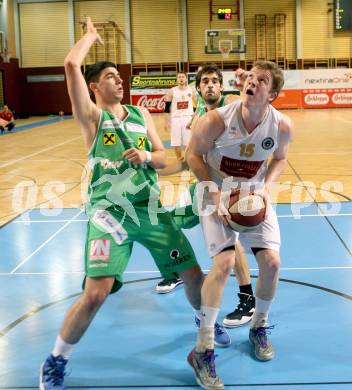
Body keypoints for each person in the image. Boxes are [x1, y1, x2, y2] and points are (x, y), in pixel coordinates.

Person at [39, 17, 205, 390]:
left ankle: (203, 327)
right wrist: (91, 37)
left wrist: (148, 159)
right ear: (95, 86)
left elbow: (167, 160)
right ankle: (56, 359)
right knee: (96, 293)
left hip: (149, 210)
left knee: (194, 275)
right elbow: (70, 65)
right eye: (111, 76)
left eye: (120, 76)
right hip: (108, 214)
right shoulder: (92, 118)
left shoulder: (140, 115)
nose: (120, 80)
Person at [187, 60, 293, 389]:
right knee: (223, 263)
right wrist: (214, 190)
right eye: (249, 77)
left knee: (272, 263)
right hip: (216, 194)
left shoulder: (281, 126)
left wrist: (266, 187)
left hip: (252, 197)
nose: (251, 82)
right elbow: (192, 155)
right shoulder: (216, 120)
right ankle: (202, 348)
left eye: (261, 81)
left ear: (272, 93)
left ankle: (258, 326)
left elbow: (280, 158)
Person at [156, 64, 256, 330]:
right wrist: (151, 167)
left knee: (230, 243)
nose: (210, 85)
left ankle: (247, 298)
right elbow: (188, 159)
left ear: (221, 87)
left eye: (214, 81)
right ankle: (177, 272)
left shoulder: (232, 104)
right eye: (205, 82)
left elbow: (250, 106)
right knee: (169, 224)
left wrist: (247, 84)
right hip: (202, 188)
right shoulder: (200, 113)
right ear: (198, 89)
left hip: (231, 190)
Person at [164, 72, 196, 161]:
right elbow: (167, 108)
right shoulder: (172, 91)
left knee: (188, 143)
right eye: (179, 77)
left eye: (183, 77)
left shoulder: (191, 90)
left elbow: (195, 107)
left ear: (186, 79)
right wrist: (167, 121)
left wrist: (194, 118)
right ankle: (179, 160)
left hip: (187, 118)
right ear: (177, 79)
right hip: (176, 119)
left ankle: (186, 160)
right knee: (176, 143)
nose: (181, 79)